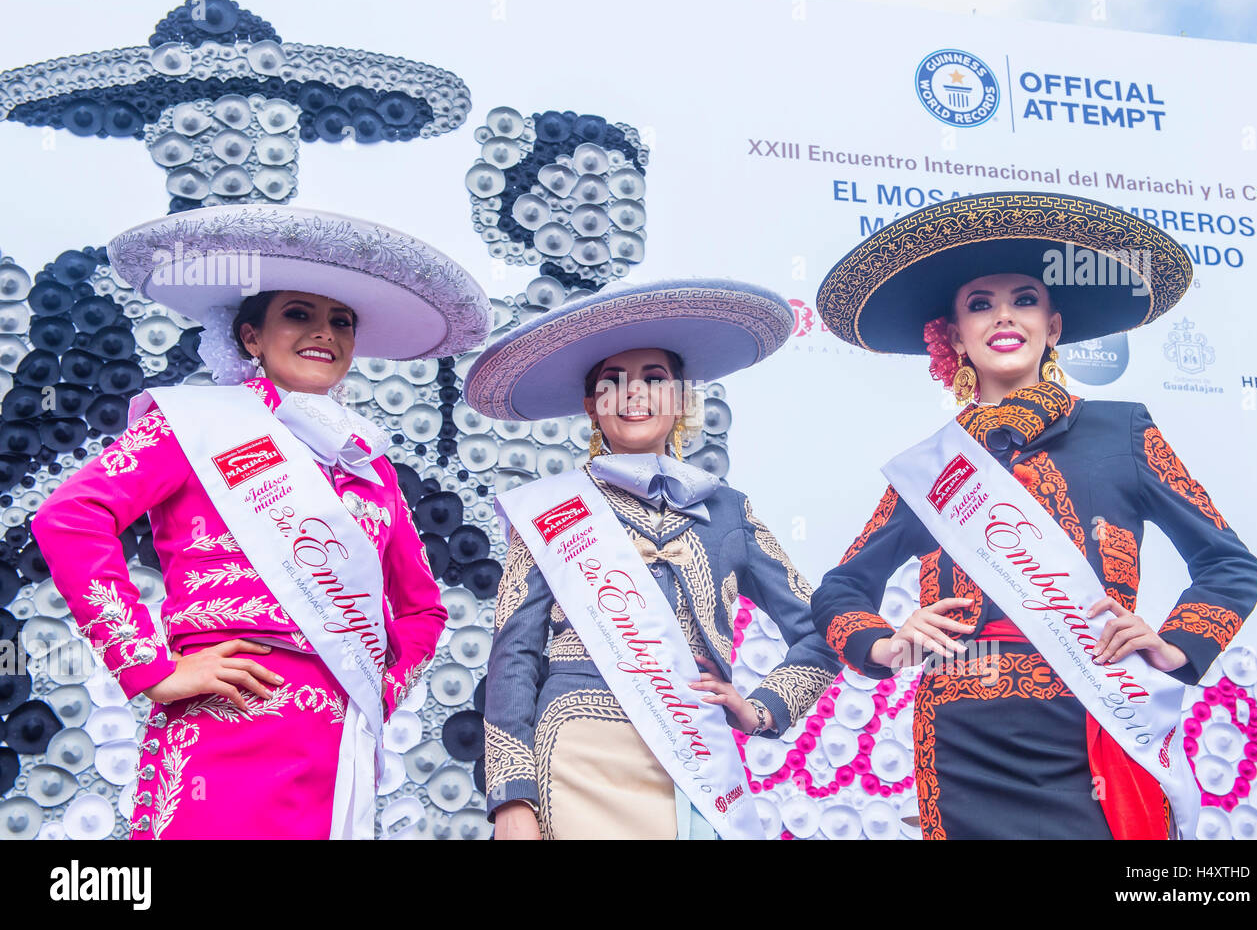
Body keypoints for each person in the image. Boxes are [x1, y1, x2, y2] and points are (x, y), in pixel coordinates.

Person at [812, 191, 1257, 839]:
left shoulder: (1120, 430)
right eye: (979, 304)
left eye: (1025, 299)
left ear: (1053, 325)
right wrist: (882, 644)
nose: (1004, 316)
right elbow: (841, 587)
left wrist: (1177, 646)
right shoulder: (933, 467)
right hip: (963, 734)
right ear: (954, 336)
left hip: (1097, 714)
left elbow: (1229, 564)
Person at [32, 203, 491, 838]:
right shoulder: (196, 426)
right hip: (223, 718)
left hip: (338, 733)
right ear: (251, 336)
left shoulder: (369, 466)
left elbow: (421, 609)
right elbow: (71, 516)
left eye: (342, 322)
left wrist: (377, 693)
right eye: (298, 314)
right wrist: (150, 666)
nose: (323, 333)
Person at [463, 278, 840, 839]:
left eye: (654, 379)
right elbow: (513, 656)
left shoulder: (728, 511)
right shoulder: (550, 508)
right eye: (612, 382)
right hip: (575, 755)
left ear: (683, 397)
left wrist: (761, 707)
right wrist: (512, 798)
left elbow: (822, 630)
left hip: (692, 759)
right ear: (592, 406)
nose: (633, 393)